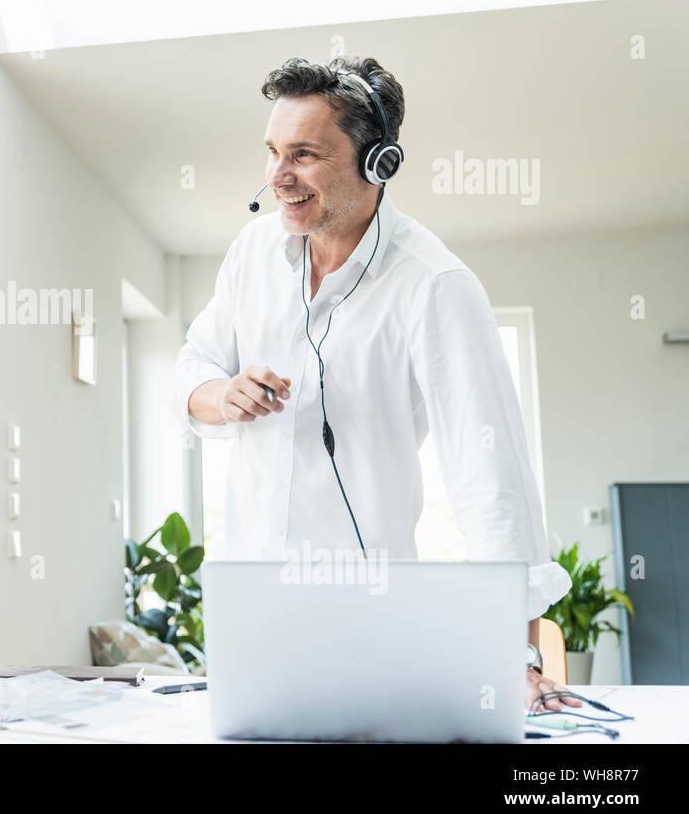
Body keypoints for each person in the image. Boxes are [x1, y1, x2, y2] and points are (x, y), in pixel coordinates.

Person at [172, 56, 578, 712]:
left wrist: (521, 652)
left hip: (365, 623)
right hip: (251, 622)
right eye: (272, 151)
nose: (277, 176)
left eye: (303, 154)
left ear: (378, 163)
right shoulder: (252, 253)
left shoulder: (434, 286)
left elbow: (490, 477)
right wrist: (222, 395)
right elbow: (191, 370)